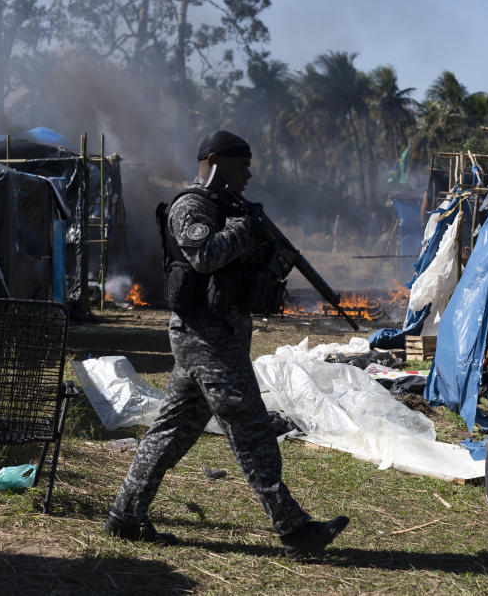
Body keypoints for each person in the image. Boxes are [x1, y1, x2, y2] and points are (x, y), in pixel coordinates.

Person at [104, 130, 348, 558]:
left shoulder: (232, 208)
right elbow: (203, 256)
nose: (249, 174)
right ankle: (293, 530)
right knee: (252, 430)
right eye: (242, 164)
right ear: (214, 161)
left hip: (220, 337)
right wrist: (241, 229)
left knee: (170, 433)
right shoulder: (191, 206)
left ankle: (124, 517)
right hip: (205, 337)